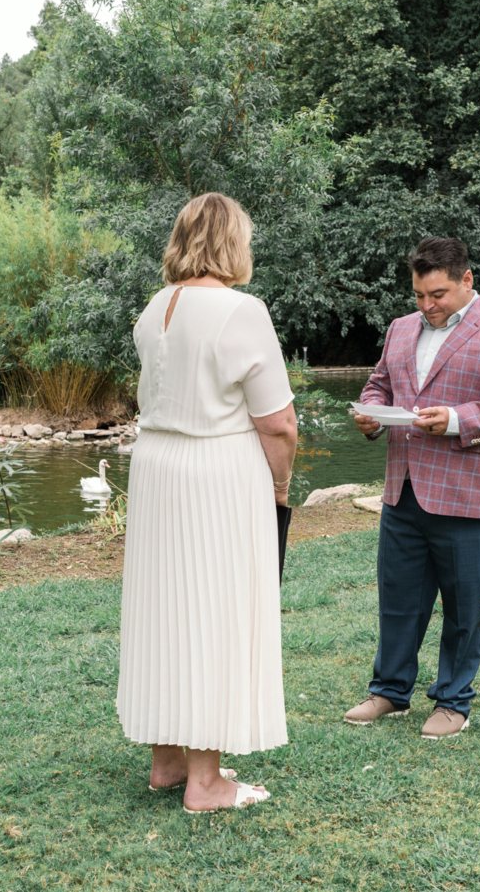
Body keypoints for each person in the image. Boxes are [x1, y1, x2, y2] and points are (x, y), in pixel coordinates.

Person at [117, 192, 298, 812]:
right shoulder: (241, 311)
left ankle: (166, 762)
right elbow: (278, 424)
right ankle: (206, 782)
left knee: (165, 609)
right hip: (217, 473)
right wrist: (279, 486)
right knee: (215, 610)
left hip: (158, 470)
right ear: (232, 242)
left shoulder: (154, 308)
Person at [346, 236, 480, 739]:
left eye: (438, 294)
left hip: (469, 495)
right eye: (419, 295)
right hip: (403, 490)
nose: (427, 306)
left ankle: (453, 702)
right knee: (398, 601)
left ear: (466, 281)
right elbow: (379, 384)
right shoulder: (399, 329)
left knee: (462, 606)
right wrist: (370, 413)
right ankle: (390, 692)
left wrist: (457, 419)